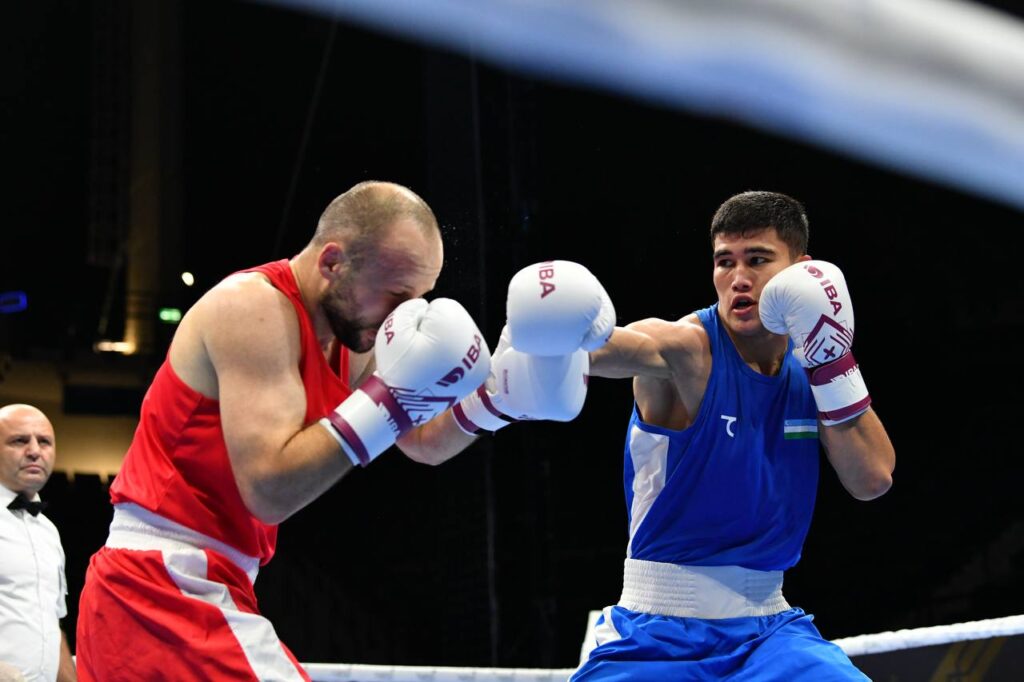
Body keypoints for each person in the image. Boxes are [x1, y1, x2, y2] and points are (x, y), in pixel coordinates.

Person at [74, 182, 611, 681]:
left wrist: (499, 401)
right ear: (332, 262)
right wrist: (390, 401)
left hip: (201, 584)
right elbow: (269, 490)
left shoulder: (350, 338)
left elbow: (423, 441)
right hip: (159, 583)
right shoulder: (252, 308)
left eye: (420, 297)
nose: (406, 317)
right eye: (397, 295)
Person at [568, 191, 896, 680]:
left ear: (801, 271)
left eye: (757, 260)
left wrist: (833, 365)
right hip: (656, 634)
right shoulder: (687, 348)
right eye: (725, 262)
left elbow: (872, 479)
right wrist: (552, 340)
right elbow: (617, 348)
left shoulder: (814, 362)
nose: (739, 278)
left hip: (770, 633)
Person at [0, 404, 77, 682]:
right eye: (19, 440)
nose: (34, 451)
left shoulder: (48, 532)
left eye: (44, 441)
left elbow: (52, 624)